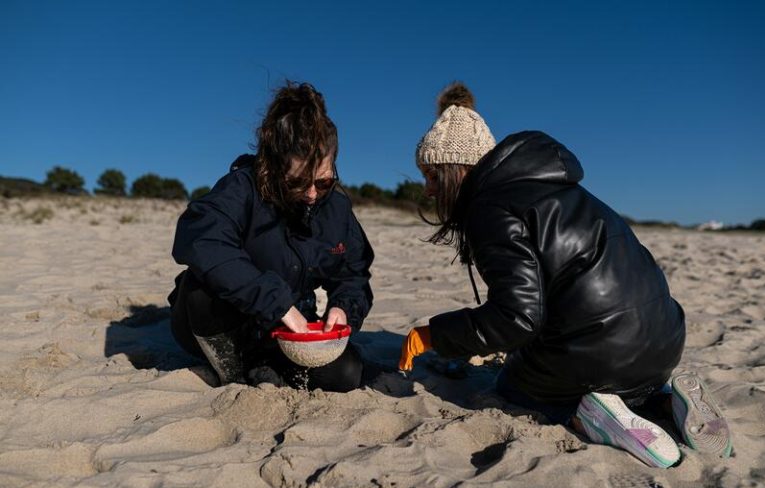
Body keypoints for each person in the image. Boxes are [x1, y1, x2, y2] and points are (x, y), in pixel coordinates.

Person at [399, 82, 732, 467]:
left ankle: (590, 416)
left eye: (432, 176)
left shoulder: (489, 208)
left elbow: (517, 317)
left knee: (512, 386)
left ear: (457, 171)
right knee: (612, 374)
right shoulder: (565, 189)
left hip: (602, 354)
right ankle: (667, 399)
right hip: (664, 342)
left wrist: (433, 334)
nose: (426, 190)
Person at [169, 82, 373, 392]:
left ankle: (265, 366)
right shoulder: (242, 187)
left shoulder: (338, 208)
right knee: (199, 289)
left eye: (324, 182)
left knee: (345, 374)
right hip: (222, 321)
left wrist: (344, 308)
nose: (311, 194)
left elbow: (354, 274)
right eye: (297, 182)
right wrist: (275, 304)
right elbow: (201, 240)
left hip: (287, 329)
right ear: (273, 167)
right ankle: (234, 375)